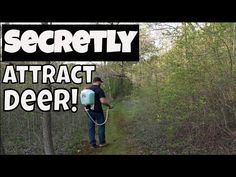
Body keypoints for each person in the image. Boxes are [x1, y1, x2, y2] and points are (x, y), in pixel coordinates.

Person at [84, 77, 113, 149]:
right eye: (100, 82)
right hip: (98, 112)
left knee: (91, 128)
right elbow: (102, 101)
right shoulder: (99, 90)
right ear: (98, 82)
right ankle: (102, 143)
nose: (101, 84)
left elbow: (84, 100)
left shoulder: (87, 90)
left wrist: (86, 107)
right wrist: (109, 105)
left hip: (89, 112)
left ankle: (93, 145)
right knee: (101, 126)